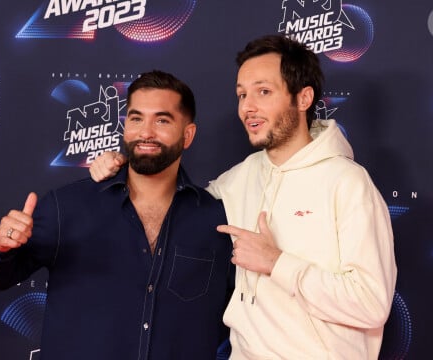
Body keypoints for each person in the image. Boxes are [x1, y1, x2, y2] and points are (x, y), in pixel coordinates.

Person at [89, 35, 397, 359]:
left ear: (303, 97)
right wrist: (127, 167)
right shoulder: (241, 177)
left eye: (263, 92)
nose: (248, 107)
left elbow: (371, 303)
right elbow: (174, 207)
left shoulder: (348, 183)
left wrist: (277, 263)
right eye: (242, 94)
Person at [0, 70, 234, 360]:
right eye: (136, 118)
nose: (146, 132)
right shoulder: (68, 206)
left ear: (188, 135)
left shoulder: (215, 219)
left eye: (162, 120)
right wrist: (1, 248)